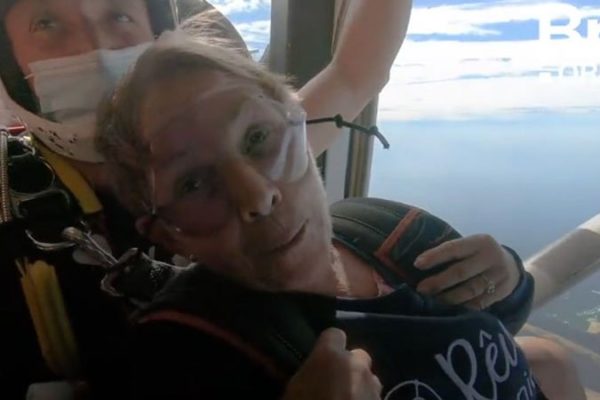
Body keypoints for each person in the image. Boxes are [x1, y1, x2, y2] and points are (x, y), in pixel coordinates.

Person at [95, 31, 585, 399]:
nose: (257, 196)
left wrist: (506, 278)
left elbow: (498, 324)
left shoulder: (391, 230)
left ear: (298, 126)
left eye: (257, 138)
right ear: (168, 234)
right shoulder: (186, 354)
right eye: (193, 183)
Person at [0, 0, 414, 397]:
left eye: (119, 14)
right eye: (47, 23)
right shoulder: (6, 204)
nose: (93, 45)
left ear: (156, 31)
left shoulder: (261, 147)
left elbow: (356, 72)